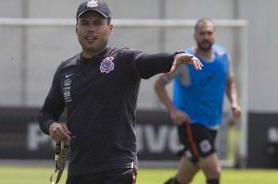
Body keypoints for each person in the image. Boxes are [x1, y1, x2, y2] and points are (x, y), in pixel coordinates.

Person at [38, 1, 203, 184]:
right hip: (79, 169)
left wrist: (174, 56)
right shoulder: (65, 69)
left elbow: (146, 61)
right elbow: (46, 114)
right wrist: (51, 126)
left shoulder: (123, 59)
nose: (91, 29)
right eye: (85, 23)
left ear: (110, 28)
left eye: (98, 23)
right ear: (76, 28)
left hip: (117, 168)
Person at [154, 18, 241, 184]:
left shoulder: (223, 56)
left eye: (209, 33)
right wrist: (173, 111)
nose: (205, 37)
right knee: (214, 170)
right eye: (202, 33)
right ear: (195, 35)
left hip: (213, 124)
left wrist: (234, 103)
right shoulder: (185, 60)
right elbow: (158, 86)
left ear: (214, 35)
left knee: (184, 177)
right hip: (190, 123)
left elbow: (229, 83)